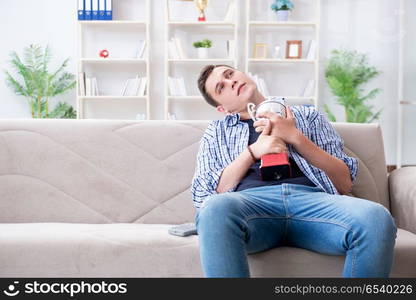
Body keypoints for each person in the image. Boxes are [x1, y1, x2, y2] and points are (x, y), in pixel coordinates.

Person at [190, 64, 397, 278]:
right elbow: (203, 197)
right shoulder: (217, 131)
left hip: (314, 204)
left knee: (376, 218)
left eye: (230, 74)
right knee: (214, 208)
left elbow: (344, 182)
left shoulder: (308, 116)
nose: (230, 81)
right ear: (223, 109)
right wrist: (252, 152)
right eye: (220, 87)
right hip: (252, 208)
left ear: (243, 74)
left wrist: (295, 136)